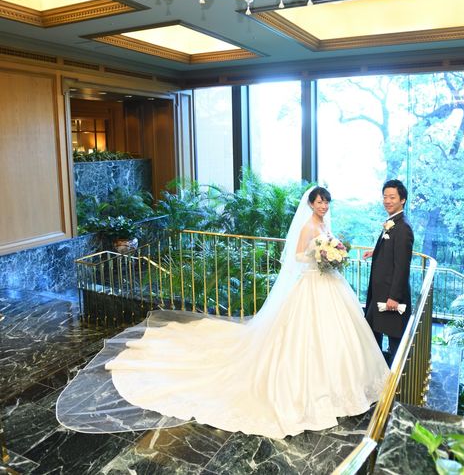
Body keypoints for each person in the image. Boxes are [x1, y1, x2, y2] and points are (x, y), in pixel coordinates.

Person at [56, 186, 388, 439]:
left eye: (326, 202)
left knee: (335, 335)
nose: (323, 206)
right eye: (319, 202)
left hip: (327, 285)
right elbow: (297, 257)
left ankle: (344, 384)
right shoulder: (306, 228)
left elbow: (328, 247)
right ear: (311, 204)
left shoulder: (326, 224)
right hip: (310, 285)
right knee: (302, 337)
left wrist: (333, 252)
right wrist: (318, 254)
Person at [364, 179, 414, 366]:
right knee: (372, 332)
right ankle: (378, 373)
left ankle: (397, 379)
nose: (387, 201)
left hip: (391, 297)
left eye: (392, 197)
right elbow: (393, 251)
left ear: (403, 200)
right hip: (379, 293)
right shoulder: (393, 222)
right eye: (385, 197)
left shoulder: (403, 228)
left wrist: (394, 297)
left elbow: (402, 266)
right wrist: (376, 251)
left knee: (395, 341)